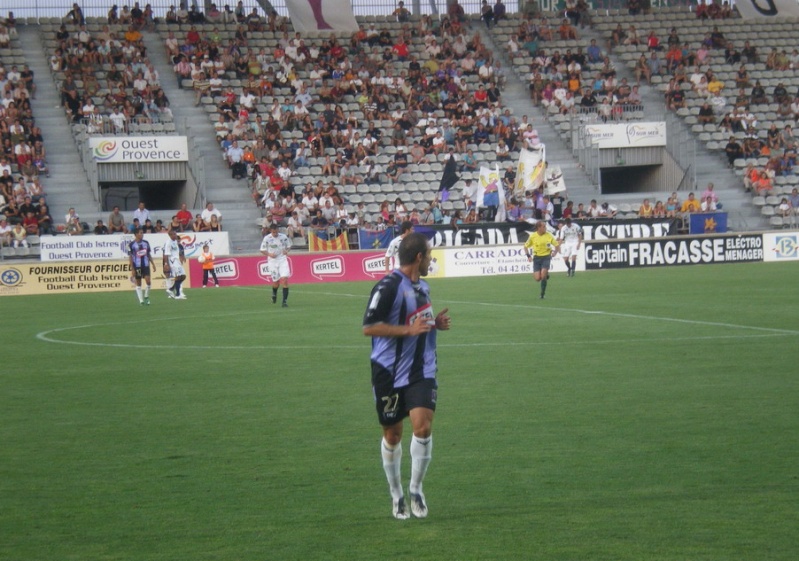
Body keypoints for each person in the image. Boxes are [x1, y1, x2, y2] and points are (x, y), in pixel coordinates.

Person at [362, 232, 451, 520]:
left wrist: (434, 324)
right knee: (393, 434)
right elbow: (369, 327)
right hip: (388, 371)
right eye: (429, 254)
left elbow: (418, 321)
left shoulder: (422, 287)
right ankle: (396, 493)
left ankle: (416, 489)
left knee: (423, 427)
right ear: (418, 258)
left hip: (421, 369)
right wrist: (407, 331)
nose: (431, 259)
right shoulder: (387, 286)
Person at [523, 221, 559, 299]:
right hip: (537, 258)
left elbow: (556, 245)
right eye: (543, 227)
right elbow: (525, 246)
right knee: (537, 278)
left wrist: (555, 253)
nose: (545, 228)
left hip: (546, 257)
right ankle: (545, 275)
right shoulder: (533, 236)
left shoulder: (549, 235)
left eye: (545, 226)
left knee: (543, 275)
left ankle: (542, 294)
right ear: (539, 228)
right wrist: (528, 256)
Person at [259, 223, 292, 307]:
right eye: (274, 232)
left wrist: (287, 251)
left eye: (276, 232)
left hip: (282, 260)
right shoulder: (267, 238)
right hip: (272, 261)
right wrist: (269, 254)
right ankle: (274, 293)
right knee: (276, 282)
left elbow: (289, 246)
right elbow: (262, 250)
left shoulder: (283, 237)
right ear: (271, 231)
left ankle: (284, 302)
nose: (275, 234)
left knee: (284, 279)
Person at [128, 228, 156, 305]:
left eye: (142, 233)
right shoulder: (131, 244)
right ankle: (141, 301)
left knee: (148, 281)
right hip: (137, 266)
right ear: (136, 234)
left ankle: (146, 296)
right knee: (138, 283)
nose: (142, 234)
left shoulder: (146, 243)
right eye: (140, 233)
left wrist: (153, 264)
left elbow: (148, 254)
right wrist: (132, 269)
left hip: (146, 265)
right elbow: (130, 257)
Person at [163, 229, 187, 299]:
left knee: (183, 276)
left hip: (178, 261)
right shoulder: (168, 243)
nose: (175, 235)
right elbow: (166, 254)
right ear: (170, 235)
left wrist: (182, 256)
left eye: (175, 234)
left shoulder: (175, 241)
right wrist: (166, 264)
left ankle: (171, 289)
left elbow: (177, 251)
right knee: (178, 276)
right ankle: (178, 295)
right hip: (173, 261)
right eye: (173, 234)